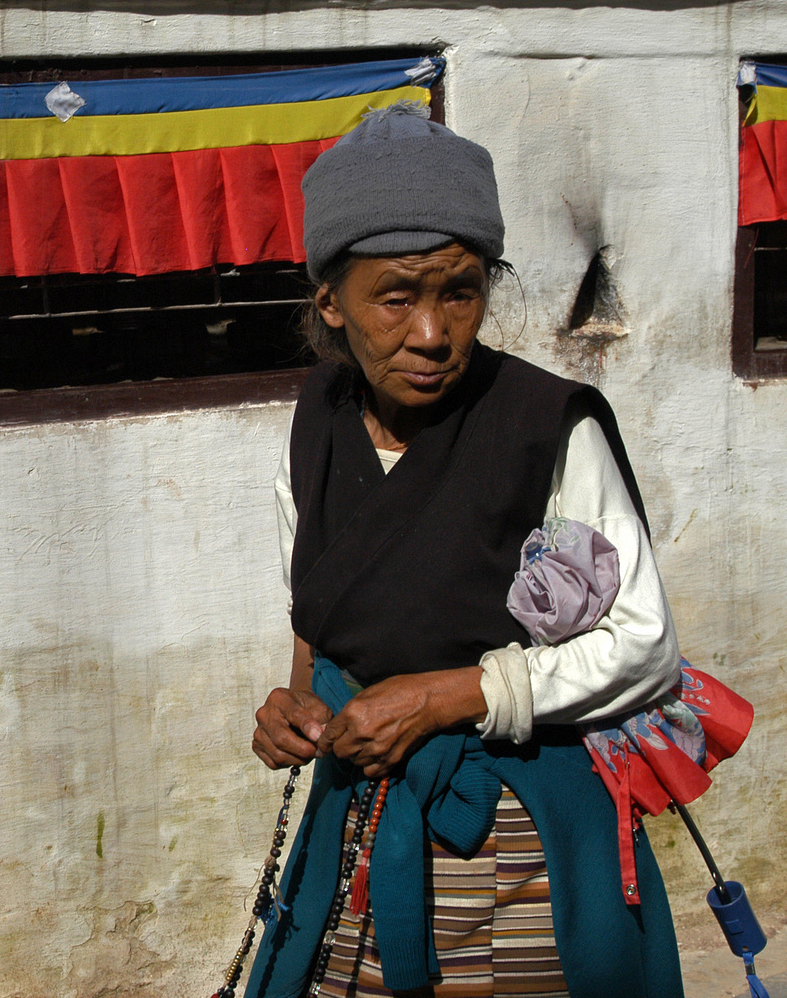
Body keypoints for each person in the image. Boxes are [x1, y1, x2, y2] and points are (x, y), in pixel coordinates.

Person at [244, 103, 685, 998]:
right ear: (330, 299)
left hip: (517, 833)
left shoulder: (543, 429)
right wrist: (296, 702)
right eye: (396, 297)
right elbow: (319, 611)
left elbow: (644, 646)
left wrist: (454, 695)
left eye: (461, 291)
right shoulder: (315, 429)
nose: (434, 333)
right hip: (361, 823)